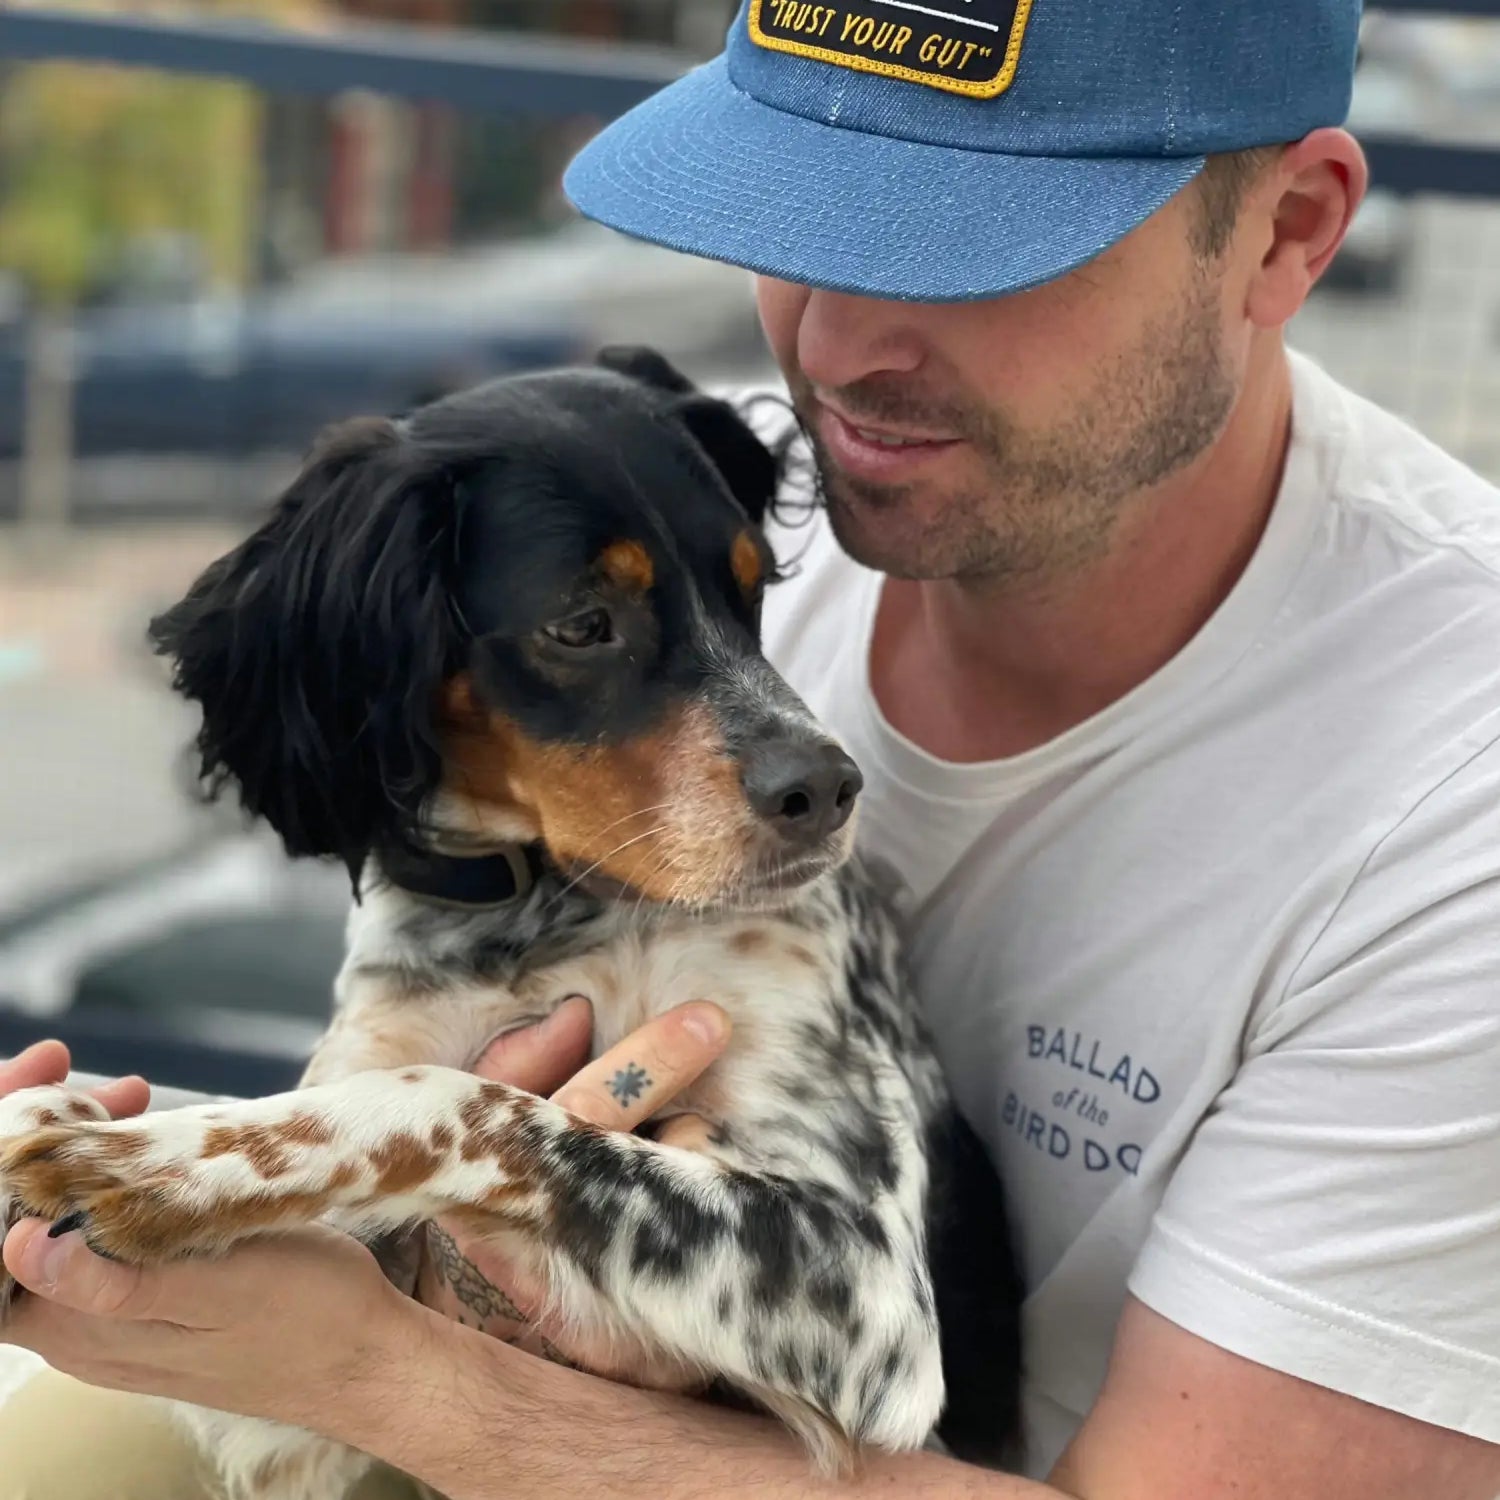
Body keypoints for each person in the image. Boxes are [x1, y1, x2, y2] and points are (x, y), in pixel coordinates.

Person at [4, 0, 1500, 1493]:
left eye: (966, 245)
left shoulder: (1452, 799)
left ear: (1290, 233)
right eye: (803, 208)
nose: (834, 355)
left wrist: (390, 1367)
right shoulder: (701, 489)